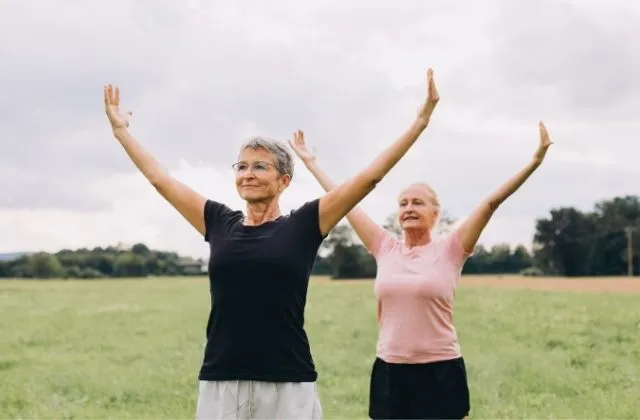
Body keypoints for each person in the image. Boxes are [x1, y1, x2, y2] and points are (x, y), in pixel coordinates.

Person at [102, 68, 440, 419]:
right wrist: (121, 131)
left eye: (260, 166)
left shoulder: (304, 224)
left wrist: (420, 122)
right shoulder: (218, 221)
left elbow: (369, 178)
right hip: (222, 377)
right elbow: (161, 180)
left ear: (284, 180)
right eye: (241, 166)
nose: (247, 173)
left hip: (287, 380)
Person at [289, 120, 553, 419]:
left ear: (435, 213)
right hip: (390, 369)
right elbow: (346, 201)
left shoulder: (451, 249)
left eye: (418, 203)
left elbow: (491, 203)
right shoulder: (384, 247)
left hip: (440, 369)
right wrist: (311, 163)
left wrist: (534, 161)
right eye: (403, 204)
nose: (409, 208)